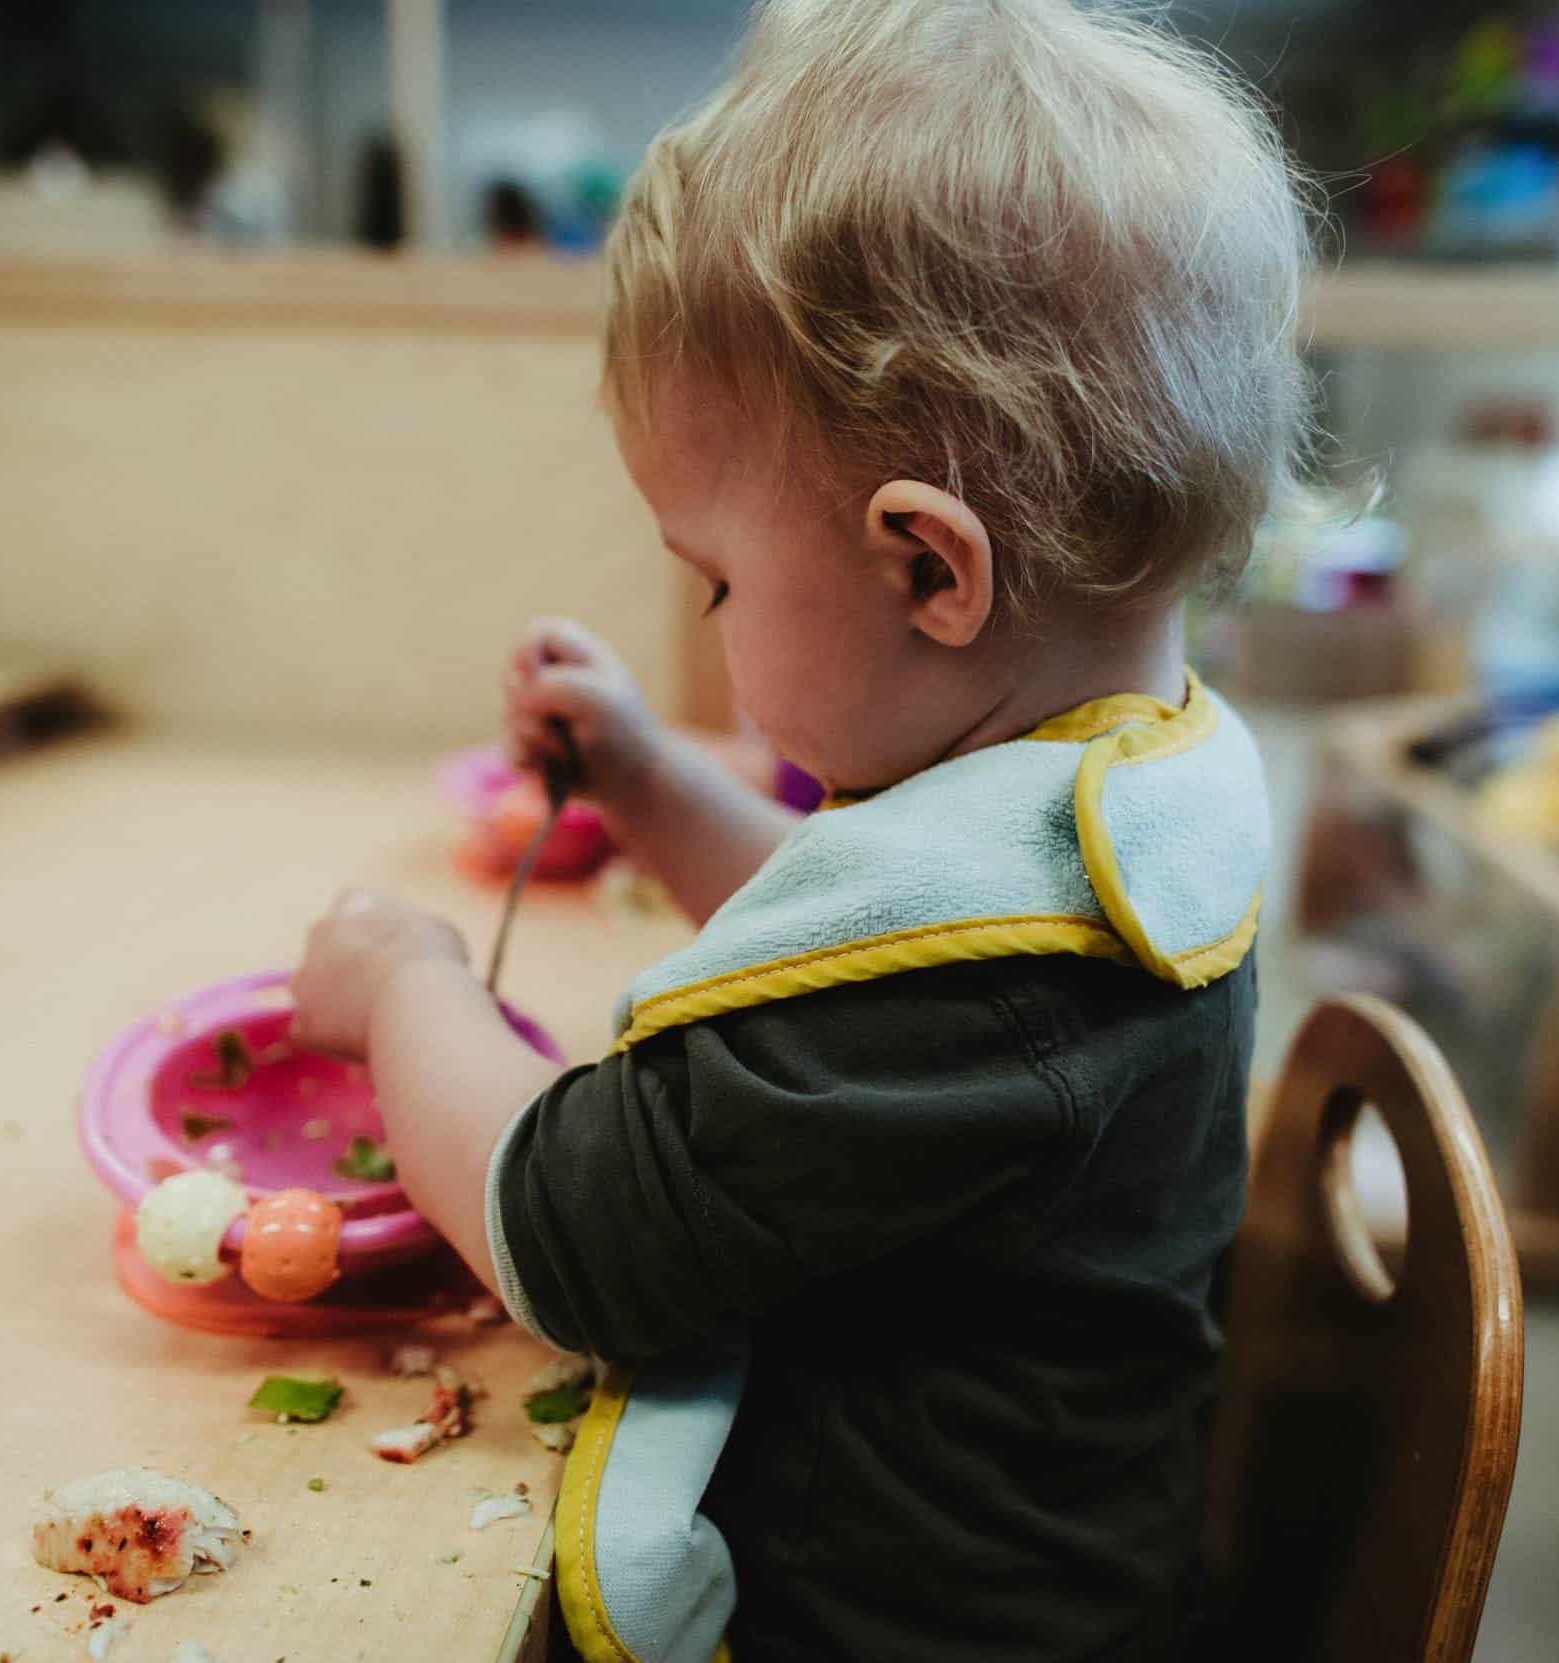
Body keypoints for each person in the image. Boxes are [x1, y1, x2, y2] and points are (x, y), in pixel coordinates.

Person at [290, 1, 1313, 1656]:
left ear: (928, 568)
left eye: (716, 579)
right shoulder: (1118, 780)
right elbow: (849, 942)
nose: (707, 615)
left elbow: (569, 1235)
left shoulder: (993, 974)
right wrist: (646, 780)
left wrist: (409, 987)